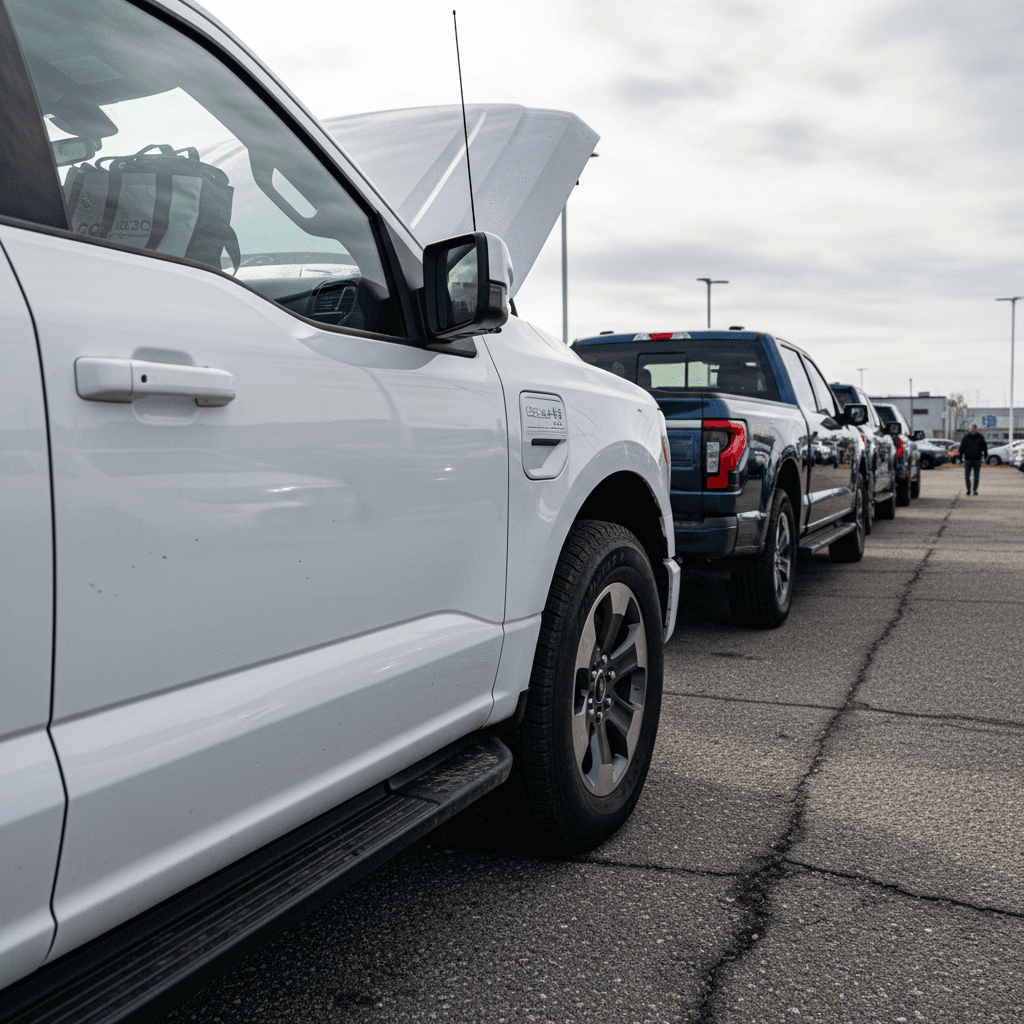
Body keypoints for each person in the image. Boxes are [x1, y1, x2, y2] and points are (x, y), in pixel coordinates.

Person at [959, 424, 988, 494]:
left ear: (976, 429)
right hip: (968, 459)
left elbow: (984, 446)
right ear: (970, 429)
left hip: (977, 459)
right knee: (967, 475)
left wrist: (985, 455)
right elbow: (962, 448)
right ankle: (968, 489)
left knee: (976, 476)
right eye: (972, 429)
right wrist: (960, 457)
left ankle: (975, 489)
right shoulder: (966, 437)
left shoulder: (980, 437)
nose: (973, 430)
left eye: (974, 429)